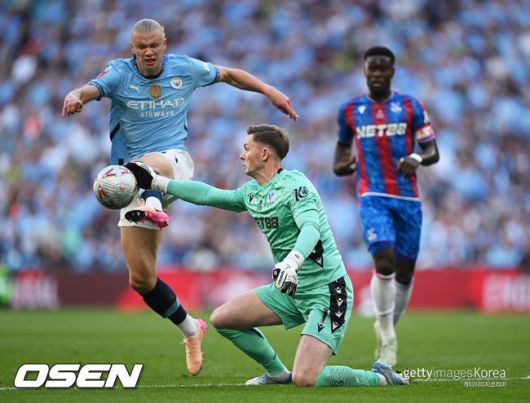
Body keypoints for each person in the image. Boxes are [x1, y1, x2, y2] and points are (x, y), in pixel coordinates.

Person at [61, 19, 298, 376]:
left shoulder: (184, 68)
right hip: (132, 183)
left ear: (165, 44)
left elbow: (228, 75)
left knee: (149, 162)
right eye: (142, 47)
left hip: (173, 164)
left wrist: (269, 91)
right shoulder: (120, 74)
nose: (149, 52)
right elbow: (91, 88)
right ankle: (190, 329)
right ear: (132, 49)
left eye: (154, 45)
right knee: (141, 279)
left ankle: (153, 205)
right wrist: (75, 96)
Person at [125, 124, 408, 387]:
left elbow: (311, 228)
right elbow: (209, 195)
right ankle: (277, 373)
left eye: (246, 148)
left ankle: (379, 378)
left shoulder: (296, 186)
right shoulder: (252, 192)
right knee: (222, 318)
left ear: (264, 154)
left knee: (306, 379)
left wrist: (293, 261)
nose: (241, 155)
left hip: (328, 291)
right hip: (290, 289)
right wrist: (158, 182)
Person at [332, 46, 440, 367]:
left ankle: (386, 326)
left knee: (404, 273)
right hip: (373, 195)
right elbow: (339, 157)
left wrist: (417, 157)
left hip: (408, 199)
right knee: (384, 260)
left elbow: (432, 150)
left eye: (383, 68)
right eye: (372, 68)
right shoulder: (350, 110)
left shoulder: (410, 106)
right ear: (365, 71)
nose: (377, 73)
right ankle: (389, 338)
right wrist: (344, 166)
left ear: (392, 71)